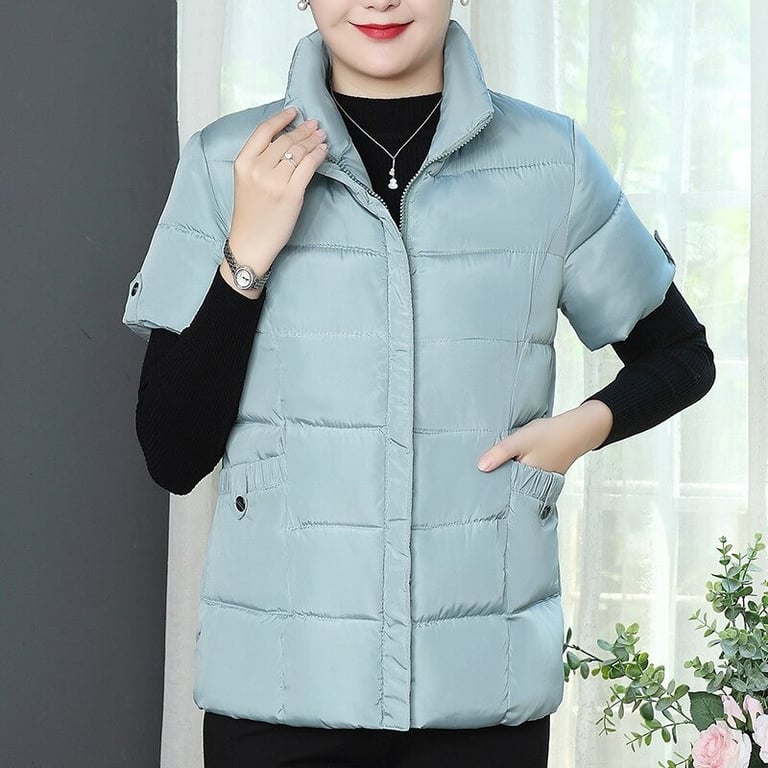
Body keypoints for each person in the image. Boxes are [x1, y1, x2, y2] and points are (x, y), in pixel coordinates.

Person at [122, 1, 716, 766]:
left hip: (483, 695)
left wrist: (572, 435)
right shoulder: (224, 164)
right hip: (277, 702)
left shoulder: (551, 161)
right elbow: (173, 454)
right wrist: (246, 257)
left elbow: (682, 355)